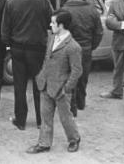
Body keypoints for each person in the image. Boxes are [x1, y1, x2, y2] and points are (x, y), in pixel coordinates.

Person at [1, 0, 53, 130]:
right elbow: (50, 22)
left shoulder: (11, 0)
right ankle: (40, 120)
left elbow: (5, 29)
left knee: (20, 85)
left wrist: (9, 43)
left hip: (17, 48)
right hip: (37, 48)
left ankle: (21, 120)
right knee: (39, 85)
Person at [27, 10, 82, 154]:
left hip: (61, 89)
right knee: (46, 116)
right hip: (45, 84)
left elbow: (77, 71)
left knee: (65, 118)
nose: (50, 25)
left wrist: (67, 88)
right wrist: (41, 75)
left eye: (53, 23)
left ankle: (74, 139)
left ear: (61, 25)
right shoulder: (51, 38)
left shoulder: (73, 47)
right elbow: (47, 58)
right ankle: (44, 143)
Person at [62, 0, 103, 116]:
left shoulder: (64, 10)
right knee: (83, 76)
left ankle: (72, 106)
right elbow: (99, 32)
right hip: (86, 48)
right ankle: (81, 102)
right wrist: (92, 46)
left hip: (69, 48)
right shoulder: (92, 10)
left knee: (70, 76)